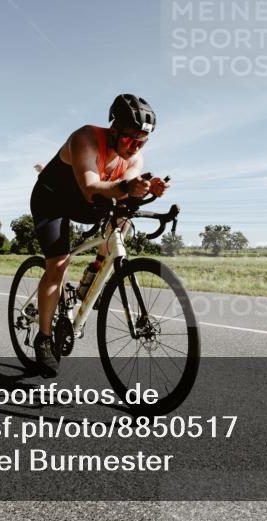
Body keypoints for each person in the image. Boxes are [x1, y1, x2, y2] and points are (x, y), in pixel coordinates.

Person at [29, 94, 169, 376]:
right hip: (52, 200)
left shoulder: (135, 156)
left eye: (142, 141)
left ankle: (91, 278)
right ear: (114, 129)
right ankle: (43, 338)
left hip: (88, 203)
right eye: (130, 138)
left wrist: (145, 189)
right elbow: (91, 186)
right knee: (57, 264)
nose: (135, 147)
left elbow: (126, 187)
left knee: (124, 220)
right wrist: (128, 187)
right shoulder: (86, 138)